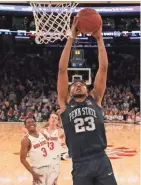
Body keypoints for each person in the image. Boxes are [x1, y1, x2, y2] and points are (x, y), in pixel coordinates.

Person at [57, 17, 117, 185]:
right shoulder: (65, 104)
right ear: (69, 91)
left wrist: (100, 39)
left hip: (100, 158)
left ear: (87, 89)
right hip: (80, 162)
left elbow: (103, 68)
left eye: (81, 84)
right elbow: (62, 70)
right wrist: (71, 37)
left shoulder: (95, 99)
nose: (78, 85)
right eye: (74, 84)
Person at [20, 117, 52, 185]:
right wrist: (33, 173)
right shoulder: (26, 140)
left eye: (32, 121)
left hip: (50, 168)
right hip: (38, 170)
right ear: (25, 126)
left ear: (35, 123)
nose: (31, 123)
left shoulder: (42, 135)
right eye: (28, 122)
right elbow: (22, 159)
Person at [42, 112, 65, 184]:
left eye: (55, 118)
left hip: (55, 160)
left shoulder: (61, 131)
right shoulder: (42, 131)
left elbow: (65, 143)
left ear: (58, 121)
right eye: (52, 117)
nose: (53, 119)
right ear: (49, 119)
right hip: (44, 159)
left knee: (53, 182)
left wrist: (63, 144)